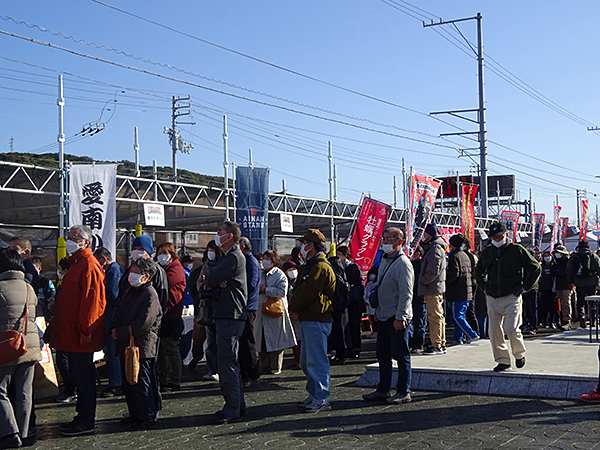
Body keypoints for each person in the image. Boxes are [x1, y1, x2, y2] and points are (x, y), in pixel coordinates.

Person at [51, 225, 106, 436]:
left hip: (80, 335)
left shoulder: (89, 265)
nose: (70, 240)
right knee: (78, 376)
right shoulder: (76, 264)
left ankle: (86, 420)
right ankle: (81, 417)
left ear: (86, 241)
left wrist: (86, 330)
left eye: (75, 237)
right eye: (69, 236)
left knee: (83, 378)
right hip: (71, 334)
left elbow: (93, 303)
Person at [474, 222, 541, 372]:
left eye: (499, 237)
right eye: (494, 238)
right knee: (494, 331)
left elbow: (536, 268)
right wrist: (484, 287)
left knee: (511, 328)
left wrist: (525, 287)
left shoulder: (517, 250)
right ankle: (503, 360)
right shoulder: (488, 251)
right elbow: (478, 271)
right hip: (492, 295)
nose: (497, 240)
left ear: (506, 235)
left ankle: (519, 354)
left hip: (512, 295)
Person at [362, 227, 413, 405]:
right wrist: (377, 310)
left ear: (399, 242)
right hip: (383, 314)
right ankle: (383, 389)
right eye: (384, 238)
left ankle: (403, 390)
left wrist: (401, 316)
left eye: (390, 239)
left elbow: (406, 294)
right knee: (382, 353)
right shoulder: (384, 260)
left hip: (397, 316)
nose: (385, 242)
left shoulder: (403, 264)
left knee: (401, 354)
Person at [110, 258, 162, 429]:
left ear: (146, 276)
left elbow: (144, 323)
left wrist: (122, 331)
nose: (132, 275)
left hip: (142, 346)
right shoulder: (130, 292)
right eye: (131, 270)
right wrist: (114, 327)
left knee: (141, 382)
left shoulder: (150, 294)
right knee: (129, 382)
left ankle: (146, 415)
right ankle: (135, 414)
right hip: (127, 343)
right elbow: (119, 312)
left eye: (136, 272)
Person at [204, 222, 248, 424]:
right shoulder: (229, 257)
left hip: (230, 314)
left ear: (229, 236)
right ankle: (237, 404)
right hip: (229, 314)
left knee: (227, 361)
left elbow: (211, 278)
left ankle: (232, 407)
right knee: (230, 361)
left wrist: (214, 279)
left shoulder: (232, 256)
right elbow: (211, 279)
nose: (217, 235)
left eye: (220, 232)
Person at [289, 229, 336, 413]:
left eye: (305, 242)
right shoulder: (311, 265)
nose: (302, 245)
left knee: (316, 361)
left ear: (312, 245)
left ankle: (322, 398)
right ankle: (314, 394)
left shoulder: (320, 266)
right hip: (310, 318)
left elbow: (307, 292)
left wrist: (295, 307)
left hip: (318, 318)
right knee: (308, 360)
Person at [0, 250, 41, 449]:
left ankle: (10, 432)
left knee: (1, 391)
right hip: (29, 346)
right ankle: (24, 434)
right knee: (25, 392)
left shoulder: (0, 288)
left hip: (6, 347)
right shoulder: (28, 288)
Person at [255, 250, 296, 374]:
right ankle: (263, 365)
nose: (266, 261)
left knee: (276, 340)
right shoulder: (259, 273)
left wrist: (266, 290)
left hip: (275, 312)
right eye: (264, 258)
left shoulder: (280, 275)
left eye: (268, 258)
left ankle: (275, 366)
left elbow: (282, 291)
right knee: (261, 339)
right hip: (261, 311)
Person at [93, 247, 125, 398]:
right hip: (111, 314)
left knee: (112, 352)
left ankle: (116, 383)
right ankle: (115, 381)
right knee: (110, 351)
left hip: (112, 315)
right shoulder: (113, 270)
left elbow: (112, 294)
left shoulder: (113, 271)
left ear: (103, 259)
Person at [155, 242, 186, 392]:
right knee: (162, 350)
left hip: (171, 315)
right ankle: (163, 377)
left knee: (171, 349)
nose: (162, 256)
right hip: (163, 315)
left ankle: (175, 379)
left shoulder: (175, 269)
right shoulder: (165, 268)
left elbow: (164, 283)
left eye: (165, 253)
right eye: (160, 252)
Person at [190, 242, 221, 381]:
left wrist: (209, 283)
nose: (210, 253)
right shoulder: (205, 267)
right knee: (209, 342)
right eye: (208, 250)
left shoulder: (224, 265)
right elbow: (198, 285)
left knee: (221, 342)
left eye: (212, 250)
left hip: (221, 309)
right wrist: (207, 285)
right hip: (207, 309)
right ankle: (211, 369)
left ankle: (221, 369)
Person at [418, 223, 447, 355]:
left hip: (432, 287)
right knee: (438, 316)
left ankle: (436, 344)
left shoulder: (435, 248)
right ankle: (440, 342)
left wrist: (422, 280)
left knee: (434, 317)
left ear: (429, 234)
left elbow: (433, 271)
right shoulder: (436, 247)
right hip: (436, 287)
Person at [52, 258, 77, 404]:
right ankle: (70, 389)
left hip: (67, 328)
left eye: (60, 269)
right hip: (62, 326)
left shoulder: (70, 285)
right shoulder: (63, 284)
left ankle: (71, 390)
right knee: (63, 360)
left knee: (65, 360)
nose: (59, 272)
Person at [446, 234, 479, 345]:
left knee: (457, 316)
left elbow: (454, 274)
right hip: (467, 290)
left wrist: (446, 281)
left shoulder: (454, 256)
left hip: (457, 291)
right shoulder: (465, 255)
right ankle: (458, 338)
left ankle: (471, 334)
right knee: (460, 315)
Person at [238, 237, 261, 386]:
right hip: (243, 305)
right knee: (243, 341)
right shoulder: (244, 261)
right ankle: (245, 371)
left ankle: (252, 373)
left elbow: (252, 284)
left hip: (249, 306)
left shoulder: (251, 262)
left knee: (248, 341)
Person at [566, 240, 600, 329]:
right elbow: (599, 269)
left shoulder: (574, 256)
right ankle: (593, 320)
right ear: (588, 247)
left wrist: (571, 281)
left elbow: (569, 270)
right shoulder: (594, 256)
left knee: (580, 302)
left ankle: (582, 316)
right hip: (592, 282)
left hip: (579, 282)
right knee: (592, 302)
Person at [338, 246, 364, 359]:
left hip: (354, 301)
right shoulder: (337, 268)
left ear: (345, 255)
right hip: (343, 302)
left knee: (354, 325)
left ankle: (356, 348)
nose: (338, 257)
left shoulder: (354, 267)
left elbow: (361, 283)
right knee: (344, 326)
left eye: (340, 254)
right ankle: (346, 347)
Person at [282, 260, 301, 369]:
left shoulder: (299, 282)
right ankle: (296, 359)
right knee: (293, 338)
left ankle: (299, 360)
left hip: (297, 313)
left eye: (294, 269)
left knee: (299, 338)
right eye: (290, 270)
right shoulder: (286, 282)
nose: (293, 272)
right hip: (288, 312)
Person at [552, 244, 575, 330]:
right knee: (560, 302)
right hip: (559, 284)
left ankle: (567, 319)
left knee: (566, 302)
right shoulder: (556, 261)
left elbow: (566, 272)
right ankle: (561, 319)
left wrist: (558, 272)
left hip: (567, 284)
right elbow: (552, 271)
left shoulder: (568, 261)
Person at [409, 247, 426, 353]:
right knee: (413, 321)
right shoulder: (410, 264)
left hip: (419, 297)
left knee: (419, 322)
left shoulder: (421, 265)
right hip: (414, 297)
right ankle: (414, 343)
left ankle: (418, 344)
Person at [538, 251, 558, 329]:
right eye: (545, 256)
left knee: (553, 307)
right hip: (544, 289)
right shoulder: (541, 267)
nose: (547, 257)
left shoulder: (554, 266)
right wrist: (539, 290)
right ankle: (544, 322)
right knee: (544, 307)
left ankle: (552, 322)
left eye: (549, 256)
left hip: (552, 289)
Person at [364, 266, 379, 339]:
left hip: (373, 304)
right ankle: (374, 331)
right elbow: (366, 293)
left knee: (375, 318)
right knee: (371, 318)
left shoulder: (376, 283)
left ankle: (376, 331)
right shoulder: (369, 283)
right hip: (368, 304)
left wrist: (368, 300)